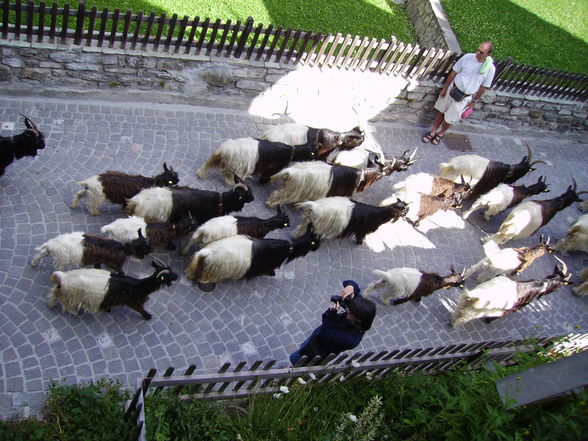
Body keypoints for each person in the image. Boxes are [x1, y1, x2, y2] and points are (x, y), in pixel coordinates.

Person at [422, 42, 496, 146]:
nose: (478, 53)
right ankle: (433, 131)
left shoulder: (490, 69)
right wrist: (445, 88)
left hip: (464, 97)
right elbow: (454, 72)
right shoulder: (467, 57)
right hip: (452, 89)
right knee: (441, 111)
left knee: (450, 119)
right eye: (478, 50)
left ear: (488, 54)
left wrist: (474, 101)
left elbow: (484, 87)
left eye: (481, 52)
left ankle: (441, 133)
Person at [289, 280, 376, 365]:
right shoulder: (359, 311)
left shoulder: (350, 340)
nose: (347, 310)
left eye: (349, 312)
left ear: (358, 319)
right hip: (315, 338)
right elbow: (351, 285)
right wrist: (351, 286)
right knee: (303, 346)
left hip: (315, 351)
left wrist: (331, 313)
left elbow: (326, 333)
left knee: (295, 359)